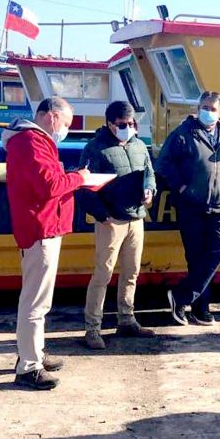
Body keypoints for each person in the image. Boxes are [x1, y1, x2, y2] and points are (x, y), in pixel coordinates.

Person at [4, 97, 89, 390]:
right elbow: (51, 186)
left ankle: (33, 353)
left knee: (39, 299)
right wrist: (79, 178)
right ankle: (29, 366)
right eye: (65, 124)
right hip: (41, 229)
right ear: (51, 117)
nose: (65, 130)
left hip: (43, 227)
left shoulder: (29, 141)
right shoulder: (31, 142)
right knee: (35, 301)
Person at [157, 91, 220, 326]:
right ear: (198, 108)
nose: (208, 112)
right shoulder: (183, 133)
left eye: (213, 108)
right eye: (204, 107)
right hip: (191, 206)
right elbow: (164, 163)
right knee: (196, 258)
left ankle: (180, 296)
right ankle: (200, 308)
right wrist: (182, 188)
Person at [78, 101, 157, 350]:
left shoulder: (139, 145)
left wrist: (150, 191)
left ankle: (126, 319)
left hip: (136, 218)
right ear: (110, 124)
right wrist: (103, 216)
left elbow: (149, 172)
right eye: (123, 125)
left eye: (132, 124)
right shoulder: (95, 149)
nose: (128, 128)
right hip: (110, 221)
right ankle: (92, 328)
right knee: (103, 274)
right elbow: (84, 188)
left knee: (132, 272)